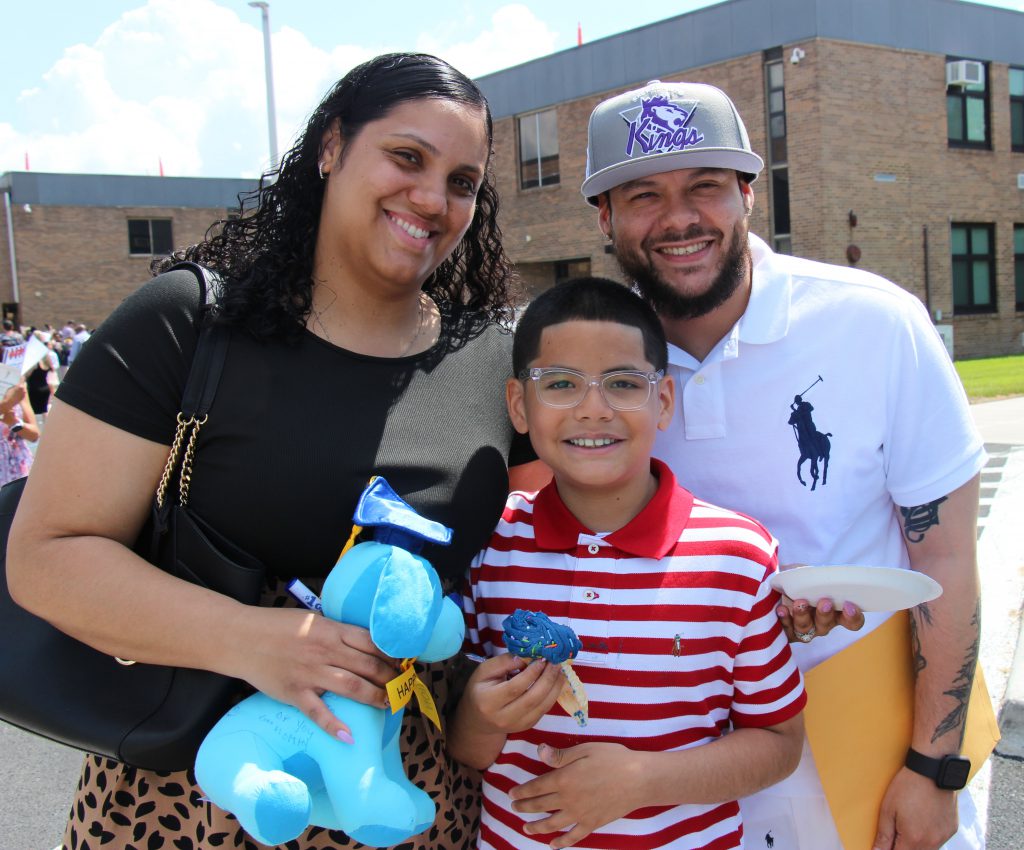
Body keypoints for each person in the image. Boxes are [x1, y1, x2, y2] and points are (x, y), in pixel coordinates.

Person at [8, 52, 524, 850]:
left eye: (462, 182)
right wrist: (258, 641)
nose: (433, 199)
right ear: (331, 147)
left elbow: (572, 533)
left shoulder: (495, 362)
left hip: (406, 802)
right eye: (407, 157)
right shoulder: (188, 323)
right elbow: (46, 556)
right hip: (193, 802)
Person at [579, 80, 985, 850]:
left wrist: (936, 767)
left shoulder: (874, 323)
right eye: (643, 196)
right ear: (605, 216)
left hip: (872, 750)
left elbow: (948, 556)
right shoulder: (585, 365)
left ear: (748, 194)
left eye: (705, 186)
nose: (679, 219)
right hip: (679, 768)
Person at [451, 278, 807, 850]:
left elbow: (780, 743)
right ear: (520, 405)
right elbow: (467, 749)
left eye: (622, 383)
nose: (594, 409)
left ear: (663, 400)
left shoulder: (737, 557)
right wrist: (479, 714)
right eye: (561, 384)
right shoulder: (487, 542)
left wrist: (642, 780)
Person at [0, 382, 39, 485]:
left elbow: (34, 435)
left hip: (20, 472)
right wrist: (6, 404)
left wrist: (14, 423)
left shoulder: (15, 382)